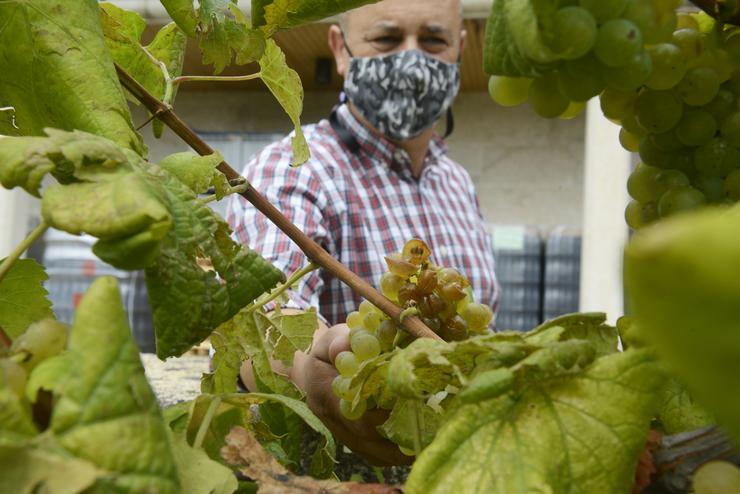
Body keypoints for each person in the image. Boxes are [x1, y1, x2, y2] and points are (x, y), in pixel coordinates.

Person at [227, 0, 499, 467]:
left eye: (433, 40)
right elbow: (263, 316)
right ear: (341, 48)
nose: (412, 60)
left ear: (460, 48)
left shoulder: (457, 181)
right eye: (387, 39)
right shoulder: (294, 170)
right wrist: (312, 373)